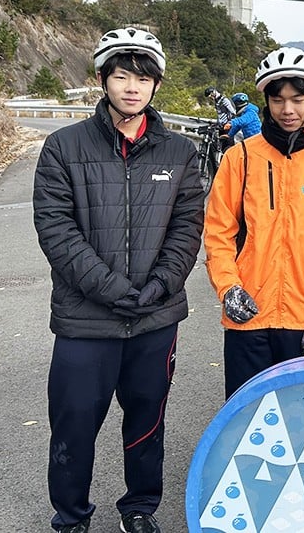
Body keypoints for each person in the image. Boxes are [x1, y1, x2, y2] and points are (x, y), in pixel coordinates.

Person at [33, 27, 205, 533]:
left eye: (143, 77)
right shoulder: (63, 147)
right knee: (74, 421)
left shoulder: (179, 152)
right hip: (85, 318)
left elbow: (187, 226)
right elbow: (56, 228)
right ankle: (70, 517)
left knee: (147, 420)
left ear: (156, 86)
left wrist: (160, 286)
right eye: (122, 75)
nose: (133, 87)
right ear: (104, 79)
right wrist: (111, 289)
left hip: (155, 317)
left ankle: (139, 507)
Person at [203, 47, 304, 400]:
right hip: (248, 316)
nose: (288, 110)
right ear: (266, 101)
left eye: (298, 99)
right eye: (278, 100)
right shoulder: (240, 157)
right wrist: (228, 288)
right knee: (246, 421)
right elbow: (217, 232)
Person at [206, 86, 237, 152]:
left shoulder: (224, 100)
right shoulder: (217, 102)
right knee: (222, 146)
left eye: (211, 96)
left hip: (227, 126)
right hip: (221, 126)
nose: (211, 98)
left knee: (229, 146)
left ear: (213, 92)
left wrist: (230, 123)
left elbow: (233, 112)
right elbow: (220, 115)